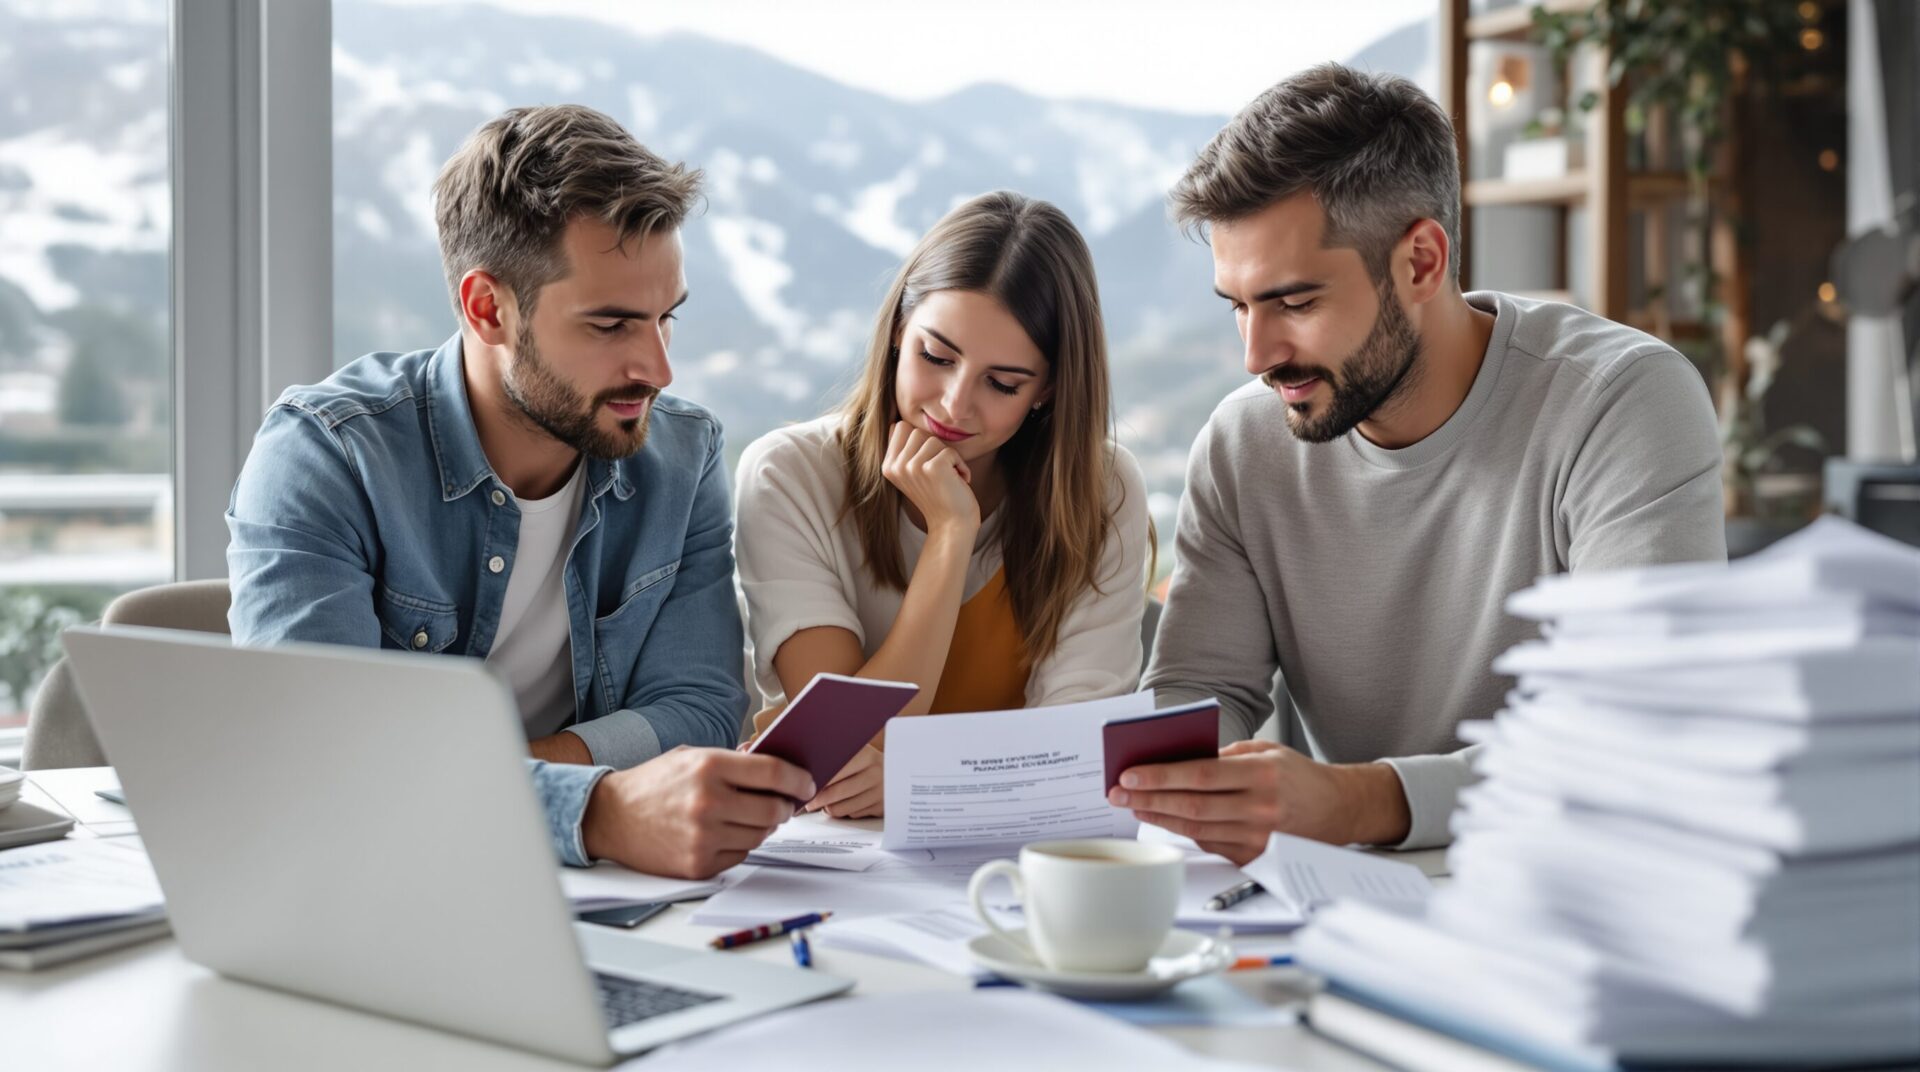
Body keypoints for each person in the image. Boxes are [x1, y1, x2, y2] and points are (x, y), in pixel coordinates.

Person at [1110, 64, 1726, 862]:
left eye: (1294, 302)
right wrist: (1169, 782)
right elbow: (1200, 697)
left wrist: (1360, 800)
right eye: (1238, 305)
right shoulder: (1242, 444)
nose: (1256, 354)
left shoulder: (1621, 403)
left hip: (1583, 882)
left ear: (1421, 262)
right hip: (1340, 904)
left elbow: (1638, 730)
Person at [226, 104, 810, 879]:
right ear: (487, 307)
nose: (658, 369)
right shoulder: (327, 455)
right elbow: (327, 762)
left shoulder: (682, 454)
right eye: (611, 326)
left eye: (666, 319)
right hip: (373, 884)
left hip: (587, 891)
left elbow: (700, 713)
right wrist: (595, 808)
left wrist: (486, 782)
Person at [733, 191, 1153, 818]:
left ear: (1049, 388)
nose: (955, 405)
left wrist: (919, 777)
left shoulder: (1101, 490)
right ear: (900, 330)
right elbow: (842, 743)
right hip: (830, 853)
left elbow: (1075, 751)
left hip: (1016, 846)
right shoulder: (789, 474)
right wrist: (951, 533)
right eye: (936, 356)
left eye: (1003, 383)